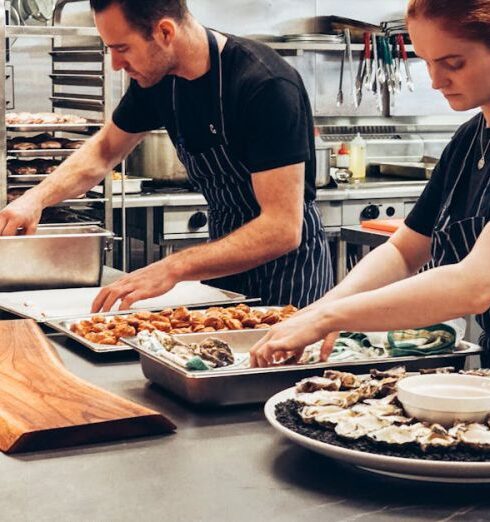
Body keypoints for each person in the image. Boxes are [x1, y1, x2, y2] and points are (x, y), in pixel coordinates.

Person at [0, 0, 333, 311]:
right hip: (223, 261)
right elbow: (102, 152)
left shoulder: (264, 84)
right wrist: (35, 199)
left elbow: (282, 229)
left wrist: (173, 267)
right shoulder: (158, 81)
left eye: (122, 48)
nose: (116, 65)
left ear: (164, 33)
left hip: (289, 276)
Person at [250, 0, 490, 368]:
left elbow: (474, 285)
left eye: (452, 63)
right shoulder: (468, 140)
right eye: (426, 61)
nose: (435, 80)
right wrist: (324, 307)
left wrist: (333, 317)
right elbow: (405, 251)